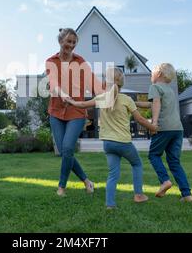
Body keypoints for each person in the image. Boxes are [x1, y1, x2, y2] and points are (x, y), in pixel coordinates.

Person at [67, 67, 157, 209]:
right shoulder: (127, 99)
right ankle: (139, 194)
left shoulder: (101, 98)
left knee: (113, 174)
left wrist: (71, 101)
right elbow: (139, 119)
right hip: (124, 143)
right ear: (122, 84)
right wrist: (153, 128)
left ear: (105, 83)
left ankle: (110, 204)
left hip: (108, 144)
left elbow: (83, 104)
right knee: (137, 164)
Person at [46, 28, 105, 197]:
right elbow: (53, 82)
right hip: (56, 111)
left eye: (73, 42)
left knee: (67, 147)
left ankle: (61, 187)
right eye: (68, 41)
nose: (71, 45)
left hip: (76, 111)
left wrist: (106, 94)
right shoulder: (51, 61)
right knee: (66, 152)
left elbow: (94, 83)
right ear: (60, 41)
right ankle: (87, 181)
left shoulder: (80, 62)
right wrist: (62, 93)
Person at [137, 63, 192, 202]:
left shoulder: (155, 87)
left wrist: (154, 123)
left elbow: (156, 103)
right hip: (177, 129)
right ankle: (187, 195)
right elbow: (152, 104)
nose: (151, 75)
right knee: (174, 161)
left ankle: (165, 181)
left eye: (152, 73)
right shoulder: (169, 90)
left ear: (159, 74)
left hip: (164, 128)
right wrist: (134, 103)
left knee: (154, 155)